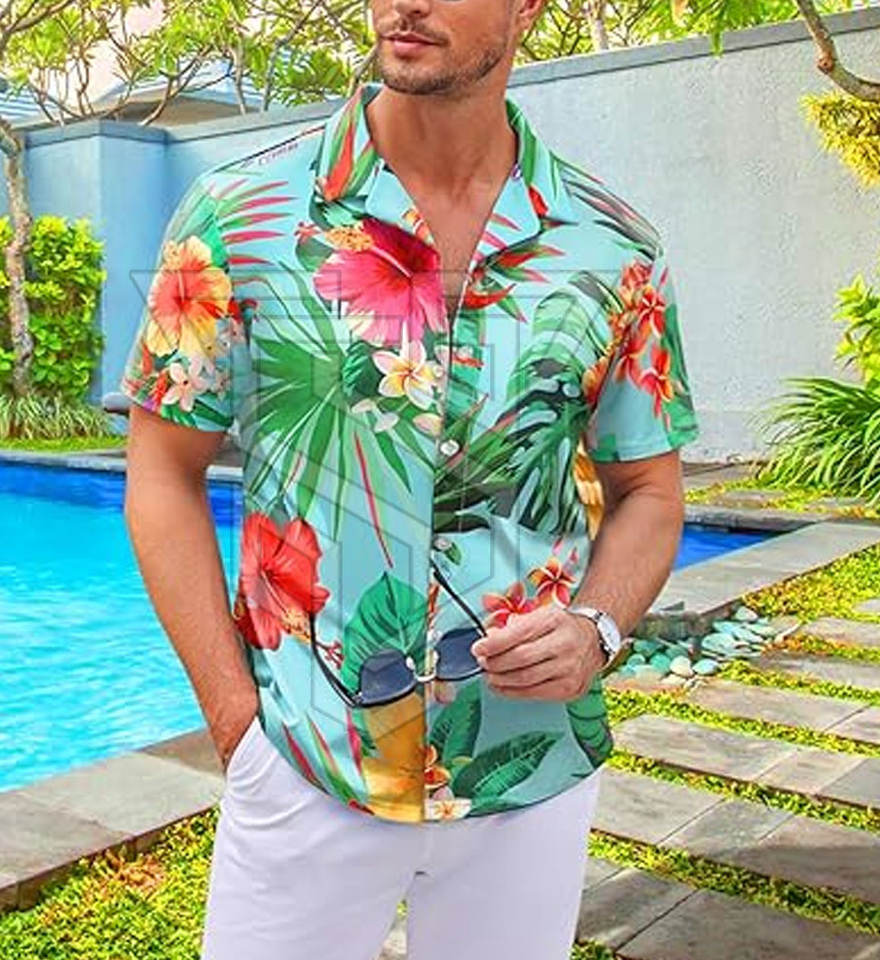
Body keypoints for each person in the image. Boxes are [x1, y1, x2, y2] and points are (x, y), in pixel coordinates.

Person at [118, 0, 699, 957]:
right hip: (306, 762)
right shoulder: (238, 216)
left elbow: (651, 492)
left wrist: (597, 628)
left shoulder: (614, 247)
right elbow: (161, 474)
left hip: (527, 768)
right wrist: (235, 720)